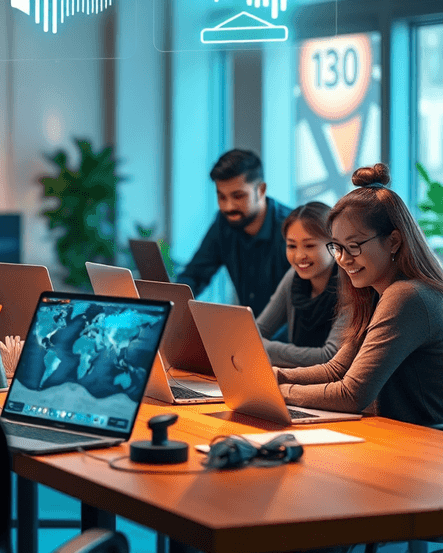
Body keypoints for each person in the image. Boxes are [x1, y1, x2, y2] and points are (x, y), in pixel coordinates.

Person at [277, 164, 443, 426]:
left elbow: (351, 394)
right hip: (395, 436)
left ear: (394, 241)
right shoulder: (375, 291)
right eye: (337, 247)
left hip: (423, 445)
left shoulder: (407, 296)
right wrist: (275, 376)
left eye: (353, 247)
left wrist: (279, 393)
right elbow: (337, 369)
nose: (343, 260)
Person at [176, 149, 292, 316]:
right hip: (250, 332)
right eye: (221, 197)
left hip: (289, 339)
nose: (228, 207)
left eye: (238, 196)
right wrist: (172, 302)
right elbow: (195, 275)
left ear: (261, 190)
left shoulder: (290, 229)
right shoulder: (224, 223)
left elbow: (304, 307)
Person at [256, 202, 346, 368]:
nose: (299, 256)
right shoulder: (293, 277)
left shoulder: (351, 286)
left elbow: (330, 357)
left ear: (334, 245)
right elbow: (258, 330)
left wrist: (265, 348)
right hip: (297, 381)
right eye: (291, 246)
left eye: (309, 245)